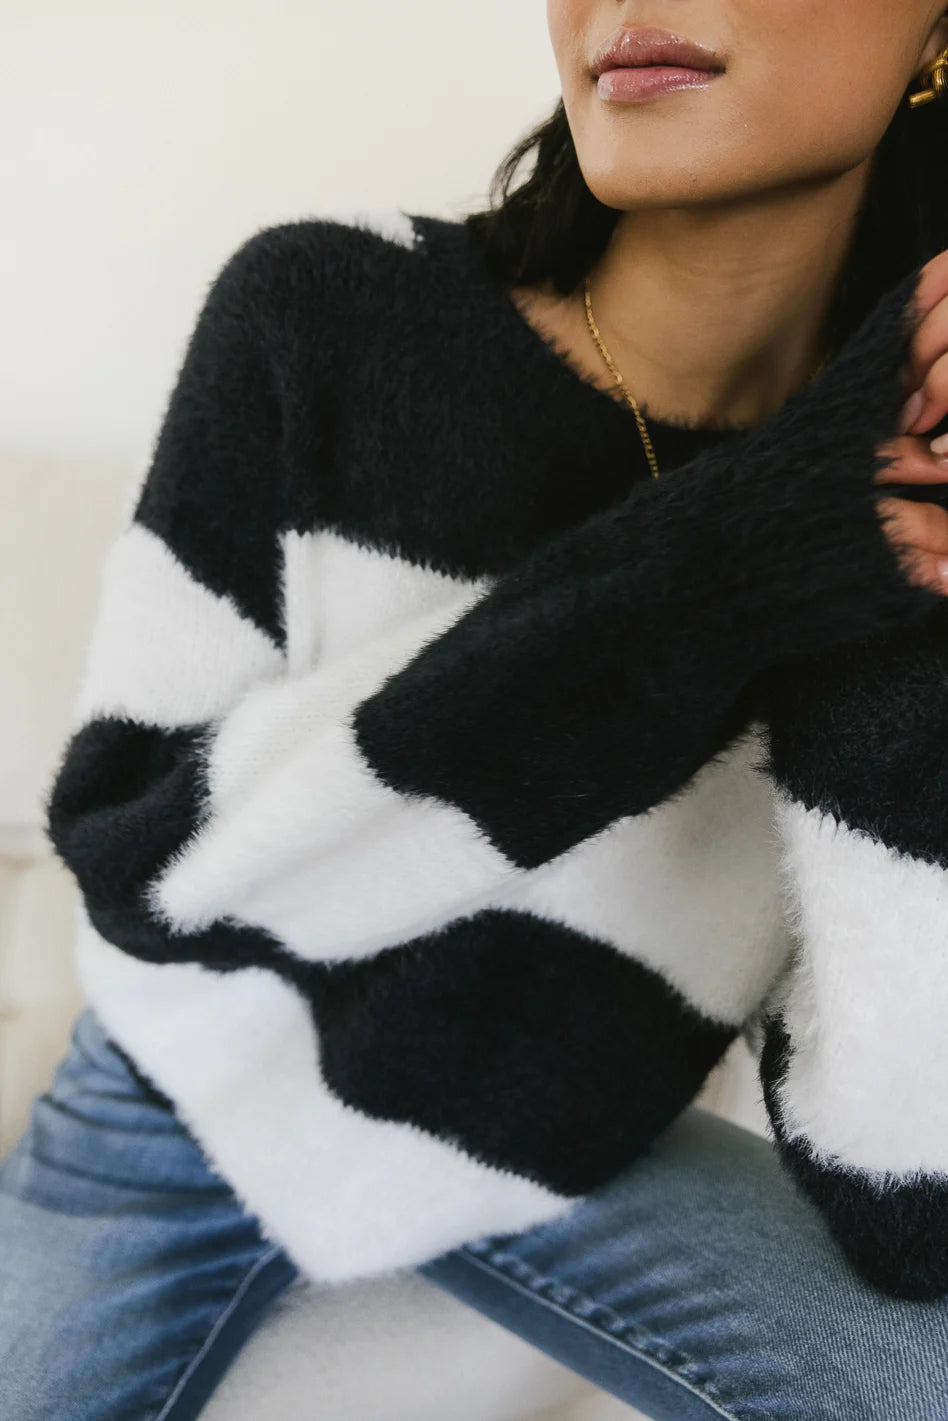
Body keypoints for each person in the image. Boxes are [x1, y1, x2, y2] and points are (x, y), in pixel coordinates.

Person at [6, 3, 948, 1418]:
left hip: (554, 1131)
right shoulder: (328, 308)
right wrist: (739, 558)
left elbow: (904, 1205)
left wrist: (891, 616)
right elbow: (146, 867)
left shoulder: (903, 496)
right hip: (180, 1099)